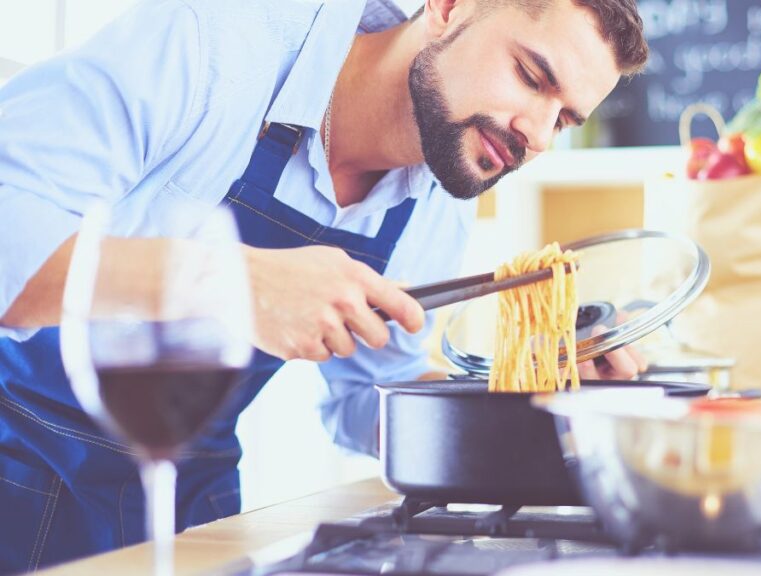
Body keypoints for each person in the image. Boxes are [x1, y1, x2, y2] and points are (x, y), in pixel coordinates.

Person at [0, 0, 648, 571]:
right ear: (449, 7)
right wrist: (227, 282)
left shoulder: (439, 195)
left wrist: (532, 395)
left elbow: (366, 396)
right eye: (532, 77)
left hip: (192, 495)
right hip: (19, 456)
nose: (536, 133)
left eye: (563, 119)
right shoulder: (215, 40)